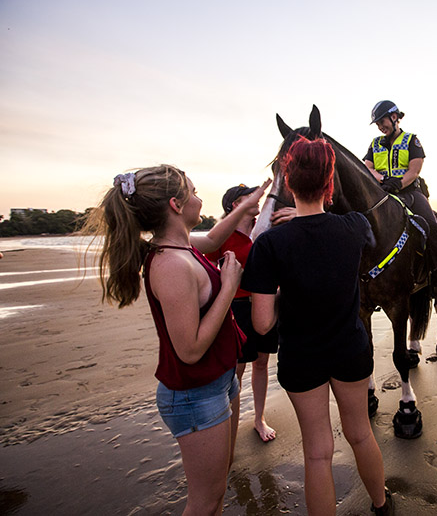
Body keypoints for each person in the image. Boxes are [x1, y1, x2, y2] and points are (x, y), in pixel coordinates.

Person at [83, 165, 268, 514]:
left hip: (217, 383)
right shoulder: (170, 265)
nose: (201, 199)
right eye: (195, 192)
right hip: (195, 395)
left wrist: (248, 204)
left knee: (216, 492)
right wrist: (229, 287)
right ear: (176, 205)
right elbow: (190, 349)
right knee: (205, 500)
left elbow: (213, 239)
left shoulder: (181, 246)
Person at [243, 137, 392, 515]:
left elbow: (261, 324)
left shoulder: (270, 246)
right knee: (360, 434)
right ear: (329, 184)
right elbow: (357, 225)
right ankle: (381, 504)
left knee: (317, 453)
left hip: (302, 358)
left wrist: (285, 292)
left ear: (288, 183)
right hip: (350, 350)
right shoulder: (355, 226)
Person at [204, 184, 294, 443]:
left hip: (266, 303)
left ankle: (259, 418)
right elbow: (207, 269)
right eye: (248, 196)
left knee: (262, 364)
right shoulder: (223, 235)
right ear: (234, 204)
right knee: (236, 371)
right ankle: (229, 422)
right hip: (238, 307)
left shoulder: (267, 227)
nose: (258, 198)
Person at [363, 100, 437, 298]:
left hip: (410, 193)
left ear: (394, 117)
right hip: (383, 193)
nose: (380, 126)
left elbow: (414, 170)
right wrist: (384, 180)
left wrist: (398, 183)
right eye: (377, 124)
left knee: (431, 226)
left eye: (382, 121)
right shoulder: (375, 144)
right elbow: (367, 167)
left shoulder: (412, 140)